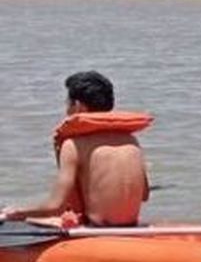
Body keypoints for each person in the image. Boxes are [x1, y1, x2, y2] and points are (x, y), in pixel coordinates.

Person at [1, 71, 151, 226]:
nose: (66, 111)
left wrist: (16, 212)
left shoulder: (73, 145)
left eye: (68, 104)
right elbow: (144, 194)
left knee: (23, 218)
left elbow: (55, 206)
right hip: (131, 227)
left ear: (78, 106)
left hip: (98, 231)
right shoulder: (131, 140)